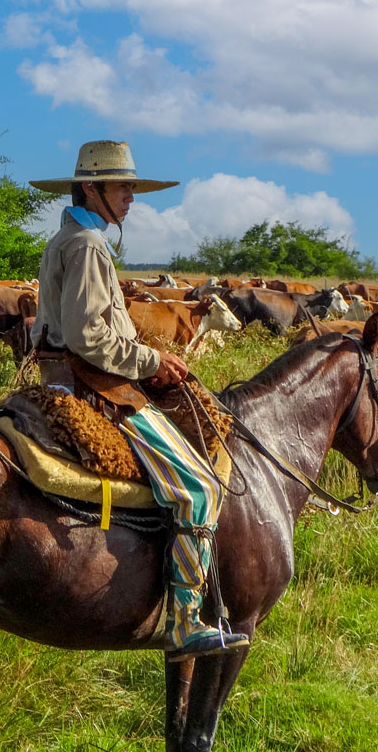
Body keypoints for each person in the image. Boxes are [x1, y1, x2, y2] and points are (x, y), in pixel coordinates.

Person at [29, 141, 249, 660]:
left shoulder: (74, 236)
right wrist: (152, 362)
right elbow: (88, 336)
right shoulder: (85, 244)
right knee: (197, 488)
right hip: (94, 386)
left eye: (131, 188)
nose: (131, 197)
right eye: (123, 187)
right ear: (92, 188)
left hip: (69, 373)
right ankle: (183, 622)